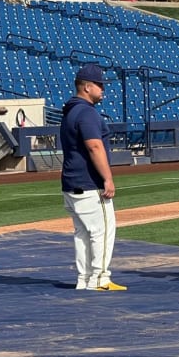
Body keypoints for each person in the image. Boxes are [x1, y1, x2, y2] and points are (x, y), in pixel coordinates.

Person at [60, 63, 126, 291]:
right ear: (87, 87)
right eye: (99, 85)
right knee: (102, 232)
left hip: (70, 183)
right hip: (89, 184)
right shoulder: (86, 112)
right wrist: (107, 178)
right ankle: (99, 278)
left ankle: (84, 278)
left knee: (82, 233)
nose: (103, 89)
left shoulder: (70, 110)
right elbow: (94, 147)